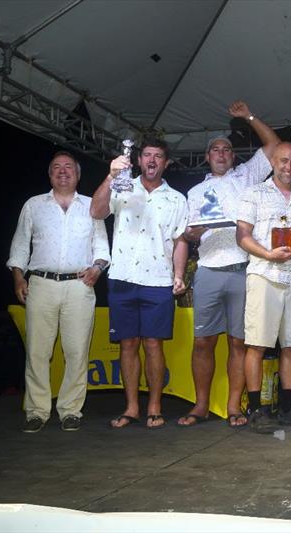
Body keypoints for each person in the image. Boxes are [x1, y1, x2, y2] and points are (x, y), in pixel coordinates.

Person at [178, 101, 281, 428]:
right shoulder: (195, 192)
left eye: (226, 149)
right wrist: (192, 234)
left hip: (242, 270)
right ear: (207, 157)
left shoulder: (246, 176)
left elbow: (275, 146)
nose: (221, 153)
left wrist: (249, 116)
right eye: (215, 150)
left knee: (239, 342)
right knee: (203, 342)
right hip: (208, 269)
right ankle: (201, 405)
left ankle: (234, 406)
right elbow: (187, 235)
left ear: (233, 157)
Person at [8, 152, 110, 432]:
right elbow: (20, 244)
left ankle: (70, 410)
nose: (62, 171)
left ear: (78, 174)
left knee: (77, 351)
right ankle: (37, 411)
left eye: (68, 167)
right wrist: (18, 277)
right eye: (56, 167)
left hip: (80, 285)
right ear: (49, 174)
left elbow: (102, 248)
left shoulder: (92, 206)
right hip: (40, 284)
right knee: (37, 351)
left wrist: (97, 269)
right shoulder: (34, 205)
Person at [90, 137, 189, 429]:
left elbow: (180, 240)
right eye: (147, 155)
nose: (152, 160)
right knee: (128, 344)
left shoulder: (177, 199)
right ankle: (132, 407)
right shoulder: (122, 187)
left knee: (154, 344)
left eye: (158, 156)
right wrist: (110, 175)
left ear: (166, 163)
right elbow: (96, 212)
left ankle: (155, 406)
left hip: (158, 279)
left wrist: (179, 274)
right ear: (138, 159)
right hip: (122, 277)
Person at [236, 141, 291, 433]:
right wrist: (267, 253)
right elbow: (242, 235)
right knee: (257, 344)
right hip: (264, 274)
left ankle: (287, 408)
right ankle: (256, 408)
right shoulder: (254, 193)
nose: (289, 167)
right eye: (283, 161)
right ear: (273, 162)